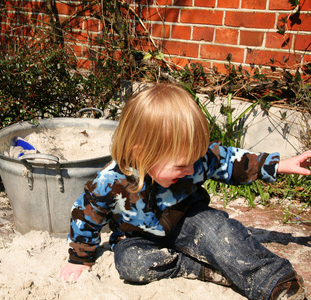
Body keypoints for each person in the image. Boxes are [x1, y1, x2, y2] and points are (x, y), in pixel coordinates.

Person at [59, 83, 311, 300]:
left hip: (189, 219)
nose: (191, 169)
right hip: (136, 237)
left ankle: (274, 279)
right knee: (130, 264)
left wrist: (278, 165)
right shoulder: (109, 182)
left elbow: (228, 160)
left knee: (220, 234)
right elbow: (86, 217)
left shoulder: (194, 160)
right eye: (181, 165)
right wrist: (80, 259)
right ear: (141, 153)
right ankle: (198, 267)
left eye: (195, 160)